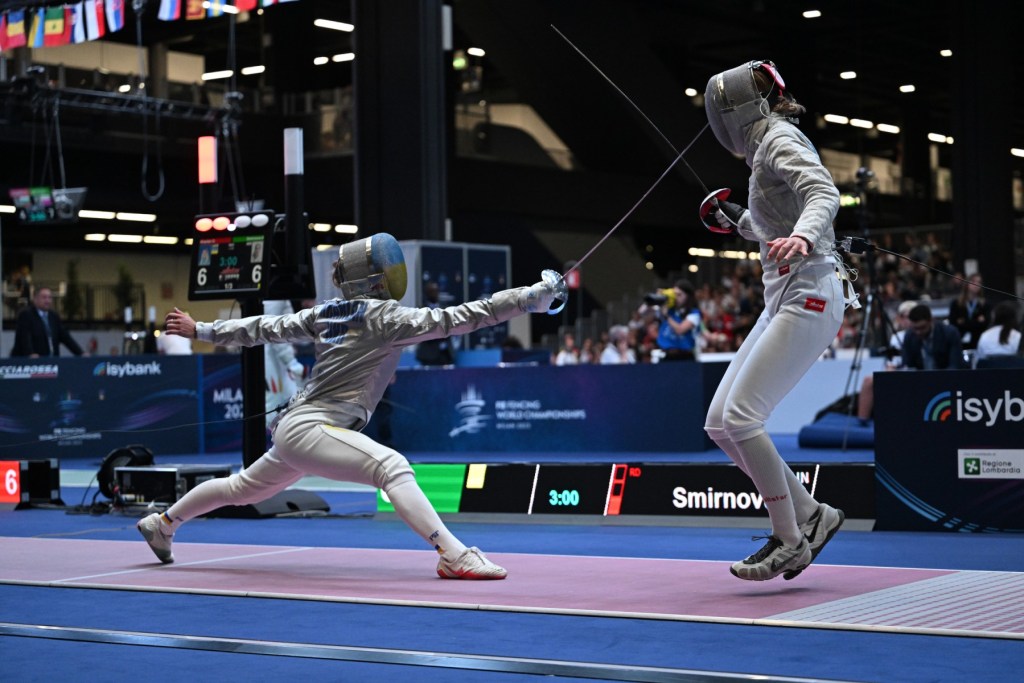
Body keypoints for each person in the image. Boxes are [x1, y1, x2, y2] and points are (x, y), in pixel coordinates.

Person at [137, 233, 558, 579]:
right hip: (311, 428)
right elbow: (463, 316)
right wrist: (528, 299)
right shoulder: (387, 319)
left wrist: (203, 328)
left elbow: (264, 327)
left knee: (241, 488)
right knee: (391, 467)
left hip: (302, 427)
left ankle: (164, 524)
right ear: (376, 279)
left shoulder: (327, 313)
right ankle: (453, 554)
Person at [702, 60, 854, 581]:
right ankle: (814, 515)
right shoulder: (765, 146)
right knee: (721, 423)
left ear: (739, 110)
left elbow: (823, 193)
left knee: (743, 417)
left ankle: (789, 538)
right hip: (786, 295)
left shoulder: (779, 140)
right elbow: (774, 225)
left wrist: (807, 236)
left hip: (811, 292)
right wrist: (738, 221)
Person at [11, 286, 86, 357]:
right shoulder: (26, 315)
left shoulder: (54, 316)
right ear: (35, 299)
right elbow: (25, 337)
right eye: (44, 297)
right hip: (29, 362)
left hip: (51, 361)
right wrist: (30, 353)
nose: (47, 300)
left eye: (49, 298)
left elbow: (66, 337)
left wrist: (81, 353)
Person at [901, 304, 967, 370]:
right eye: (915, 328)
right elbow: (907, 366)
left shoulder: (950, 333)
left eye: (922, 327)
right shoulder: (909, 336)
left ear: (931, 320)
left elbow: (955, 365)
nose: (918, 332)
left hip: (946, 378)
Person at [652, 280, 702, 361]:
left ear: (688, 296)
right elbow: (644, 312)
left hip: (685, 357)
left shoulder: (694, 313)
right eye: (674, 294)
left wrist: (667, 316)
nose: (676, 298)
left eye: (679, 295)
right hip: (667, 356)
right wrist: (658, 298)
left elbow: (680, 330)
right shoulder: (669, 310)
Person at [414, 282, 455, 366]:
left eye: (436, 291)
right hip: (428, 355)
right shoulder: (420, 310)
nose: (435, 294)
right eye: (432, 291)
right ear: (427, 293)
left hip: (445, 355)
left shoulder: (445, 308)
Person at [947, 273, 991, 350]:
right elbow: (953, 324)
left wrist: (963, 322)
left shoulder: (984, 305)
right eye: (973, 281)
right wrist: (977, 321)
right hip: (960, 343)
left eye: (979, 282)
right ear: (967, 283)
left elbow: (986, 324)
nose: (976, 284)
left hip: (978, 343)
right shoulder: (956, 304)